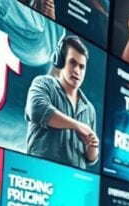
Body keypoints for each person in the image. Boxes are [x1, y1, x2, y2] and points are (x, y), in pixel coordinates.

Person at [25, 35, 99, 169]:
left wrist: (92, 146)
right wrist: (76, 125)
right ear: (61, 61)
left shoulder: (89, 109)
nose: (77, 70)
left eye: (82, 67)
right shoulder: (43, 83)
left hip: (73, 182)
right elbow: (36, 110)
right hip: (42, 176)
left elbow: (91, 159)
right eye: (72, 62)